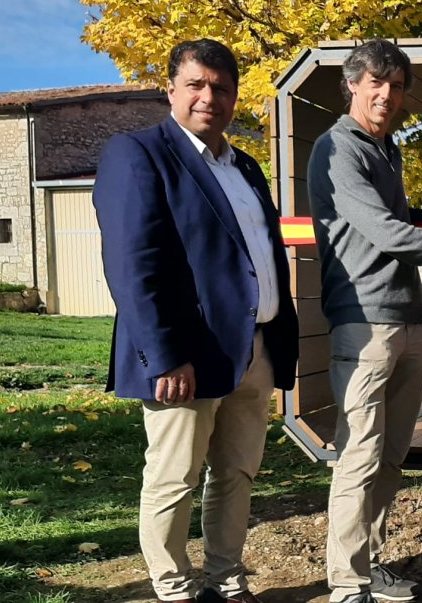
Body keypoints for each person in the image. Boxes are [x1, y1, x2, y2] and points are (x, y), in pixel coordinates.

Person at [94, 38, 299, 603]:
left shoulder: (245, 166)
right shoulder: (138, 154)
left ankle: (226, 581)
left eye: (222, 88)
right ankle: (175, 589)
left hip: (254, 349)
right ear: (171, 91)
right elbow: (133, 265)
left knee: (236, 474)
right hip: (185, 357)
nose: (209, 97)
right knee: (173, 478)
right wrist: (164, 356)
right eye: (196, 85)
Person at [307, 39, 422, 603]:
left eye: (397, 85)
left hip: (408, 319)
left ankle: (372, 565)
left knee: (389, 457)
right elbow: (384, 232)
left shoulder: (385, 148)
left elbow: (395, 216)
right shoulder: (338, 147)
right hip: (364, 324)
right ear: (352, 85)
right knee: (359, 456)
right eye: (376, 83)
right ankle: (347, 584)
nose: (386, 94)